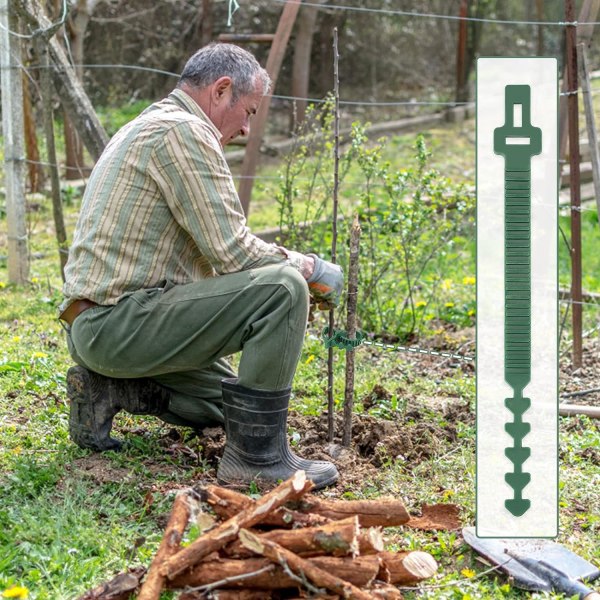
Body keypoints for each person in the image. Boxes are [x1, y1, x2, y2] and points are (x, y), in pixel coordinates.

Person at [59, 43, 343, 490]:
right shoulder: (185, 132)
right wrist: (309, 267)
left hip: (100, 328)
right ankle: (256, 462)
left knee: (231, 407)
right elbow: (235, 254)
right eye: (247, 111)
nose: (248, 129)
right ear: (221, 90)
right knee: (284, 288)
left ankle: (109, 390)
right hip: (121, 322)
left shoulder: (150, 124)